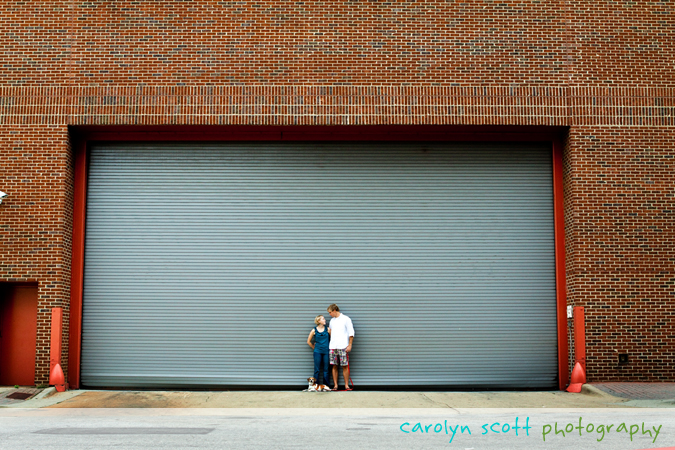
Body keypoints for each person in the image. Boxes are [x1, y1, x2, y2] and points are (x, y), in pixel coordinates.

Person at [327, 303, 354, 391]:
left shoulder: (346, 319)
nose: (329, 314)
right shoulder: (332, 321)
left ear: (334, 310)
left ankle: (346, 385)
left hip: (343, 346)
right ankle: (335, 385)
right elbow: (331, 332)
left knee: (344, 366)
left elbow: (351, 333)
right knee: (334, 366)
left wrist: (349, 345)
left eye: (330, 312)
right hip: (333, 346)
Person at [306, 315, 331, 388]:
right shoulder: (314, 330)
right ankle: (315, 386)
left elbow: (332, 340)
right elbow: (308, 341)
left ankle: (326, 386)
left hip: (326, 351)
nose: (325, 320)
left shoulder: (328, 329)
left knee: (326, 370)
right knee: (317, 369)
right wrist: (314, 348)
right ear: (319, 321)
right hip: (317, 352)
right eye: (323, 319)